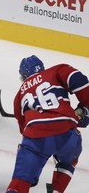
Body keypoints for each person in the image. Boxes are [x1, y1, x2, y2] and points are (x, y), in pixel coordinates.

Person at [6, 55, 89, 193]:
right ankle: (56, 190)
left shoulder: (19, 96)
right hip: (67, 133)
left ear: (24, 75)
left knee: (20, 181)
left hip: (36, 137)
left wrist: (33, 168)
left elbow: (24, 130)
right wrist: (84, 110)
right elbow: (81, 84)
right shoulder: (57, 70)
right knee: (69, 161)